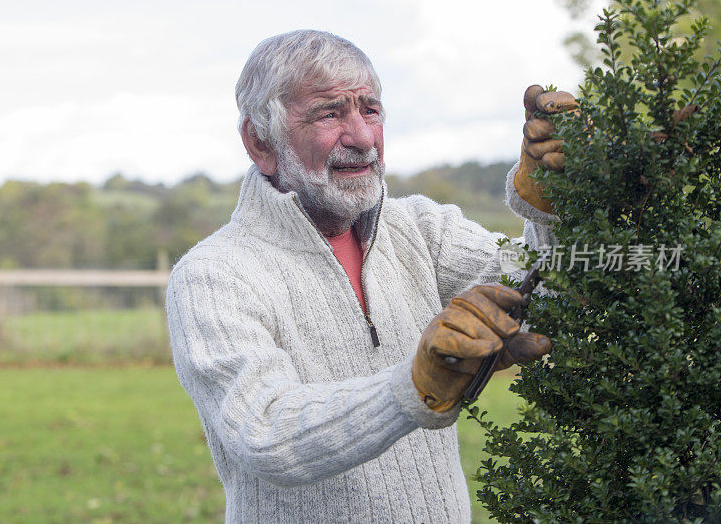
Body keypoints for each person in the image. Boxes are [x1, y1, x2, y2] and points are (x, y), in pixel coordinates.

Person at [166, 29, 573, 523]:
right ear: (260, 141)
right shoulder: (214, 273)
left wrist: (551, 205)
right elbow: (264, 429)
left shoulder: (422, 229)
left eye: (370, 109)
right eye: (330, 113)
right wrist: (411, 387)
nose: (361, 137)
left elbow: (547, 296)